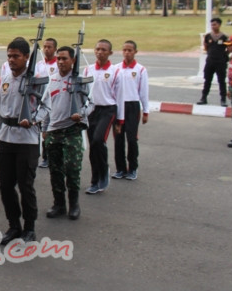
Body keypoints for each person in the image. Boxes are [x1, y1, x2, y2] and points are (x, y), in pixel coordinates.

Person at [0, 38, 48, 245]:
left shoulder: (38, 80)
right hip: (6, 138)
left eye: (16, 56)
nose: (11, 60)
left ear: (27, 57)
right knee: (5, 185)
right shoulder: (3, 80)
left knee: (26, 186)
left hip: (27, 139)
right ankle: (13, 225)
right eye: (9, 56)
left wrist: (34, 120)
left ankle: (29, 227)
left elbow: (46, 107)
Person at [39, 46, 90, 221]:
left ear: (73, 61)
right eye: (58, 59)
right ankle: (59, 204)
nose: (60, 62)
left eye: (64, 59)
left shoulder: (80, 80)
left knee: (72, 169)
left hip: (71, 130)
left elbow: (91, 103)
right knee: (55, 170)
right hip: (54, 131)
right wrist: (44, 129)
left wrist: (81, 114)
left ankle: (74, 205)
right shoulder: (52, 80)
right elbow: (46, 106)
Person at [83, 39, 124, 194]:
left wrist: (120, 120)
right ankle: (95, 180)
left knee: (99, 140)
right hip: (92, 110)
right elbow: (84, 92)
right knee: (93, 146)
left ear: (110, 53)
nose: (100, 52)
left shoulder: (115, 72)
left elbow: (120, 97)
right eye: (97, 49)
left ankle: (103, 171)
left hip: (108, 110)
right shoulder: (88, 70)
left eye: (104, 50)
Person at [112, 41, 149, 179]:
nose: (127, 53)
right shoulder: (116, 68)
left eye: (130, 50)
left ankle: (132, 168)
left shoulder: (140, 70)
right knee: (118, 139)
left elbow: (143, 91)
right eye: (124, 50)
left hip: (132, 106)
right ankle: (120, 168)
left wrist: (146, 111)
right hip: (118, 106)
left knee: (132, 139)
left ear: (135, 52)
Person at [36, 38, 58, 168]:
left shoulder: (58, 64)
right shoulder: (39, 64)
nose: (46, 49)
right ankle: (44, 157)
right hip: (42, 100)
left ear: (55, 49)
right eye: (45, 47)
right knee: (42, 128)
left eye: (50, 47)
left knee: (51, 129)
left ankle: (52, 156)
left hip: (55, 101)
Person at [198, 17, 229, 106]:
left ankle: (223, 99)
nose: (213, 26)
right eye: (212, 24)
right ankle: (204, 97)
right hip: (210, 61)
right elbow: (206, 46)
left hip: (221, 62)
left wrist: (224, 55)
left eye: (214, 24)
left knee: (221, 81)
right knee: (207, 80)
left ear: (219, 25)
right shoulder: (208, 36)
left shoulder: (224, 37)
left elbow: (229, 47)